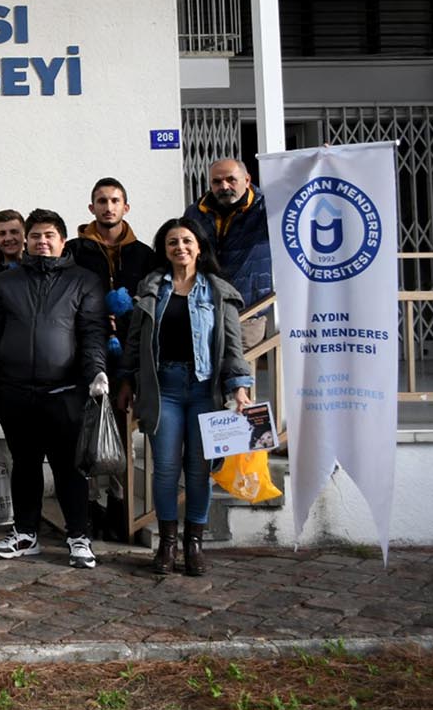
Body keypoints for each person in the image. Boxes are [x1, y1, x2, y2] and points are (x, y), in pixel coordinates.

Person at [0, 209, 107, 569]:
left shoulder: (83, 281)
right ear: (27, 240)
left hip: (66, 392)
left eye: (49, 236)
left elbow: (91, 334)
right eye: (36, 236)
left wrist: (97, 372)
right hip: (16, 393)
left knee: (69, 468)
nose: (42, 242)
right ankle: (26, 533)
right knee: (24, 466)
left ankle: (78, 536)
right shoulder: (6, 282)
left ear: (62, 239)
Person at [119, 217, 252, 577]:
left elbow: (232, 346)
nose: (180, 248)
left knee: (199, 469)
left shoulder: (217, 290)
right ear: (165, 249)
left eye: (187, 241)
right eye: (173, 242)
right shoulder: (152, 288)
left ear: (198, 246)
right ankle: (167, 544)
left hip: (203, 390)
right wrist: (127, 379)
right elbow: (135, 341)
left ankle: (194, 544)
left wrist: (239, 385)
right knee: (163, 469)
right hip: (164, 390)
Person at [68, 178, 155, 369]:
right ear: (91, 208)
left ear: (126, 207)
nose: (109, 207)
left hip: (134, 340)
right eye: (102, 201)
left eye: (115, 201)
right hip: (85, 340)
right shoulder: (73, 250)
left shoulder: (144, 254)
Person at [184, 158, 272, 347]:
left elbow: (303, 197)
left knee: (238, 372)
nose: (224, 186)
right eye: (216, 181)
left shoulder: (266, 209)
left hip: (247, 313)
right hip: (204, 311)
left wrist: (323, 163)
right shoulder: (195, 212)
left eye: (231, 179)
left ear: (247, 180)